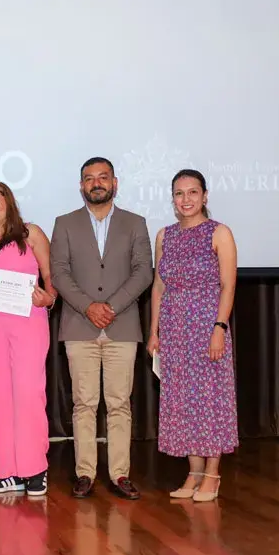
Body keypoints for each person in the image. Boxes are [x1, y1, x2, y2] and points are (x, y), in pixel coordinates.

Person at [50, 157, 153, 500]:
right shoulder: (64, 224)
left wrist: (110, 307)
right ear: (81, 186)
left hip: (122, 326)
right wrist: (88, 307)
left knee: (120, 403)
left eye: (103, 177)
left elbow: (143, 272)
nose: (96, 183)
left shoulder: (135, 223)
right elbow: (60, 273)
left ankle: (120, 473)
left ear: (115, 183)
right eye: (89, 178)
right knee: (84, 404)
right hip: (80, 326)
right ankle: (85, 473)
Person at [147, 169, 238, 502]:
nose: (186, 199)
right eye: (179, 193)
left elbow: (228, 285)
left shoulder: (219, 233)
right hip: (173, 329)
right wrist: (154, 331)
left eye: (192, 192)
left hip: (207, 326)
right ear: (172, 198)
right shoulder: (164, 236)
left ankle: (212, 474)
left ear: (205, 196)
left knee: (211, 399)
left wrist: (219, 328)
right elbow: (159, 285)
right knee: (183, 400)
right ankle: (194, 472)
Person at [0, 182, 57, 496]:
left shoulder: (30, 233)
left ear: (9, 202)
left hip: (28, 322)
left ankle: (35, 469)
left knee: (29, 394)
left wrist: (49, 298)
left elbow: (51, 275)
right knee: (1, 397)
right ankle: (8, 471)